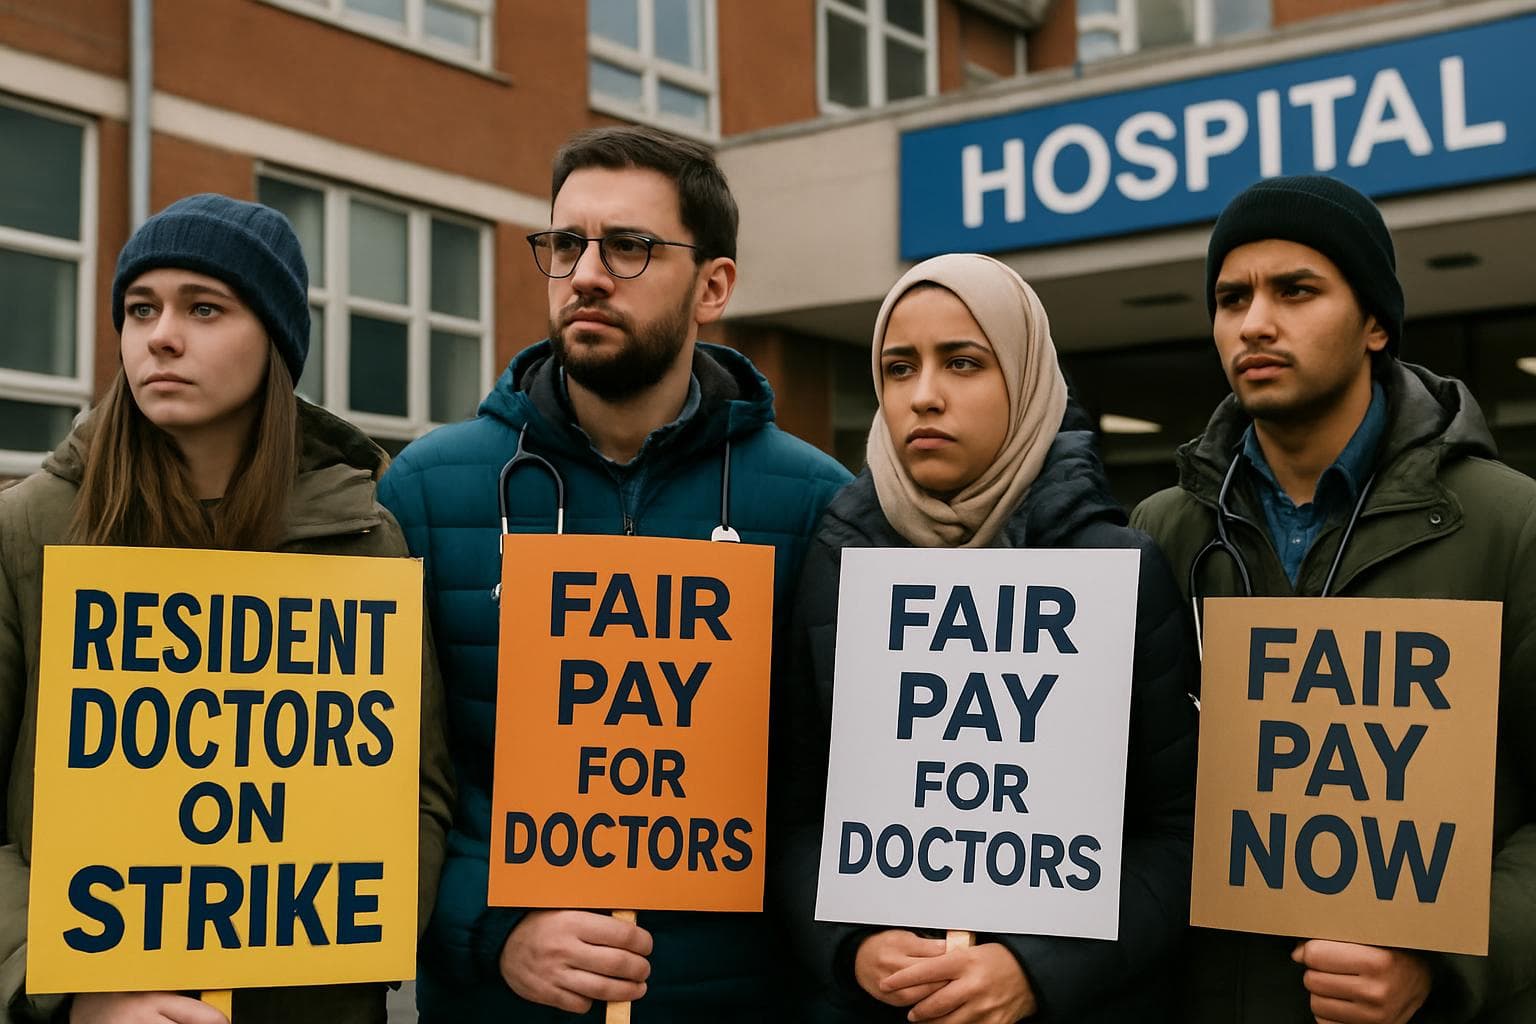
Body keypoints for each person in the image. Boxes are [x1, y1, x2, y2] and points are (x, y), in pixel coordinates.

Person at [377, 125, 851, 1022]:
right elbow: (382, 784)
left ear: (715, 286)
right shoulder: (429, 488)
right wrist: (489, 924)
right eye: (565, 244)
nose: (585, 273)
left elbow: (827, 792)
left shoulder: (818, 503)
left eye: (628, 247)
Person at [0, 193, 454, 1023]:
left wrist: (344, 951)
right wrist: (68, 988)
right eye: (141, 309)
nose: (160, 336)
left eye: (204, 308)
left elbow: (414, 793)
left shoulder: (363, 535)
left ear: (275, 341)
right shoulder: (32, 525)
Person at [1132, 174, 1536, 1024]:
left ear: (1376, 324)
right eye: (1230, 297)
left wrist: (1442, 956)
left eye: (1296, 290)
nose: (1254, 323)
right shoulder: (1163, 529)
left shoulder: (1511, 524)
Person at [781, 253, 1198, 1023]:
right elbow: (795, 813)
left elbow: (1180, 839)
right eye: (898, 368)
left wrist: (1036, 968)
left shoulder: (1118, 569)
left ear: (1026, 376)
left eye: (964, 362)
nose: (924, 395)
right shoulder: (837, 562)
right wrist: (852, 943)